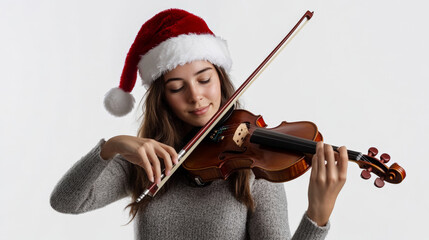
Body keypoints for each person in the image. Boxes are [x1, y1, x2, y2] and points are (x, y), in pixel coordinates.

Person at [50, 8, 348, 240]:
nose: (196, 96)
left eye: (204, 79)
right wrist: (113, 146)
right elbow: (66, 202)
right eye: (177, 88)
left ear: (220, 78)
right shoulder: (148, 161)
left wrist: (317, 218)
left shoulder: (253, 170)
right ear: (163, 97)